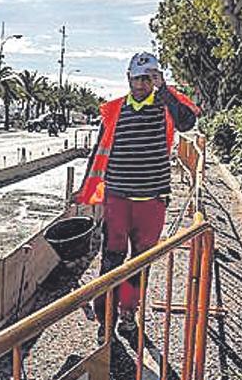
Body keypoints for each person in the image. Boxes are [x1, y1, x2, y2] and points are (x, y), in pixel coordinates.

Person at [76, 52, 201, 337]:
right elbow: (98, 151)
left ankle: (128, 313)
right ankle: (105, 319)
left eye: (148, 78)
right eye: (138, 78)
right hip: (118, 198)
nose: (142, 84)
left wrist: (164, 89)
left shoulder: (165, 105)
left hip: (152, 200)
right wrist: (84, 189)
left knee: (140, 261)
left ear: (155, 78)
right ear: (128, 77)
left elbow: (186, 123)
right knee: (111, 258)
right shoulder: (116, 110)